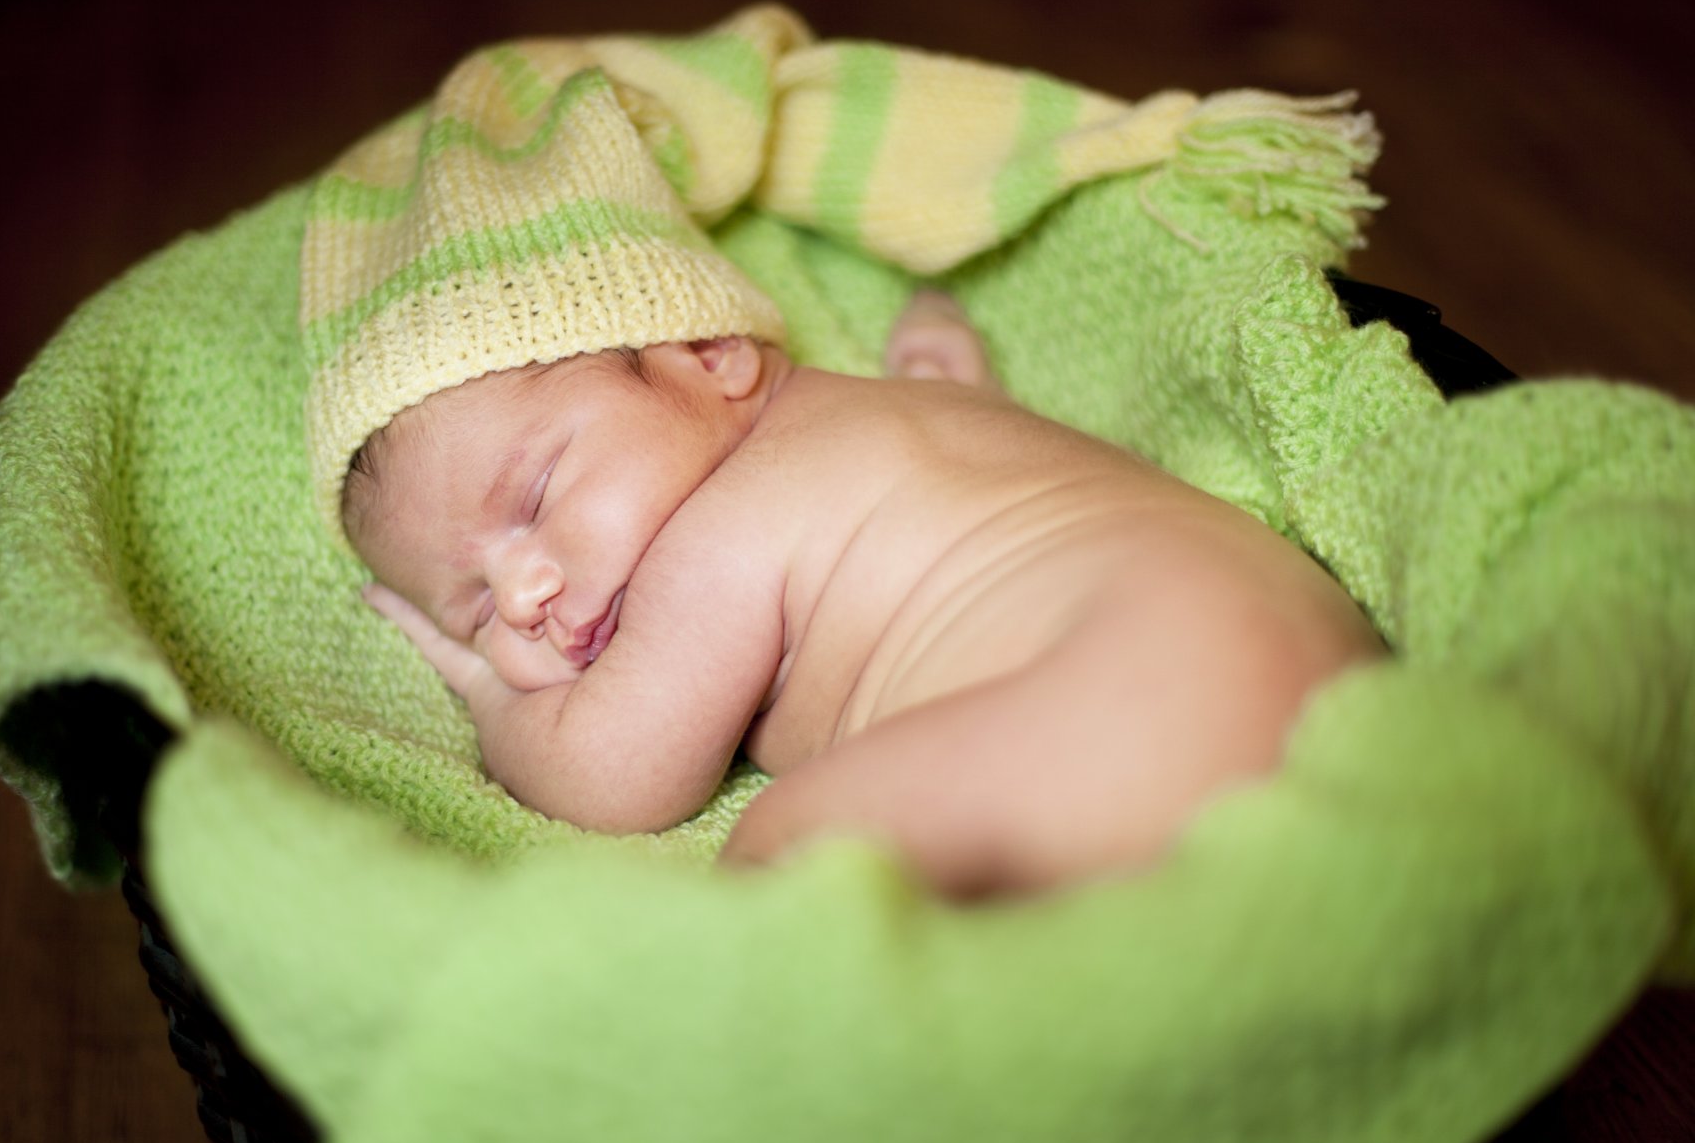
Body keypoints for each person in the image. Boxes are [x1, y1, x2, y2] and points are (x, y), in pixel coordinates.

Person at [345, 292, 1386, 898]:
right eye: (475, 606)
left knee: (785, 857)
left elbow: (611, 773)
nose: (525, 590)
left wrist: (486, 685)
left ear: (711, 357)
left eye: (537, 492)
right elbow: (981, 449)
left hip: (1142, 694)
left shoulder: (714, 539)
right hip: (1313, 657)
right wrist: (939, 357)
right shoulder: (899, 409)